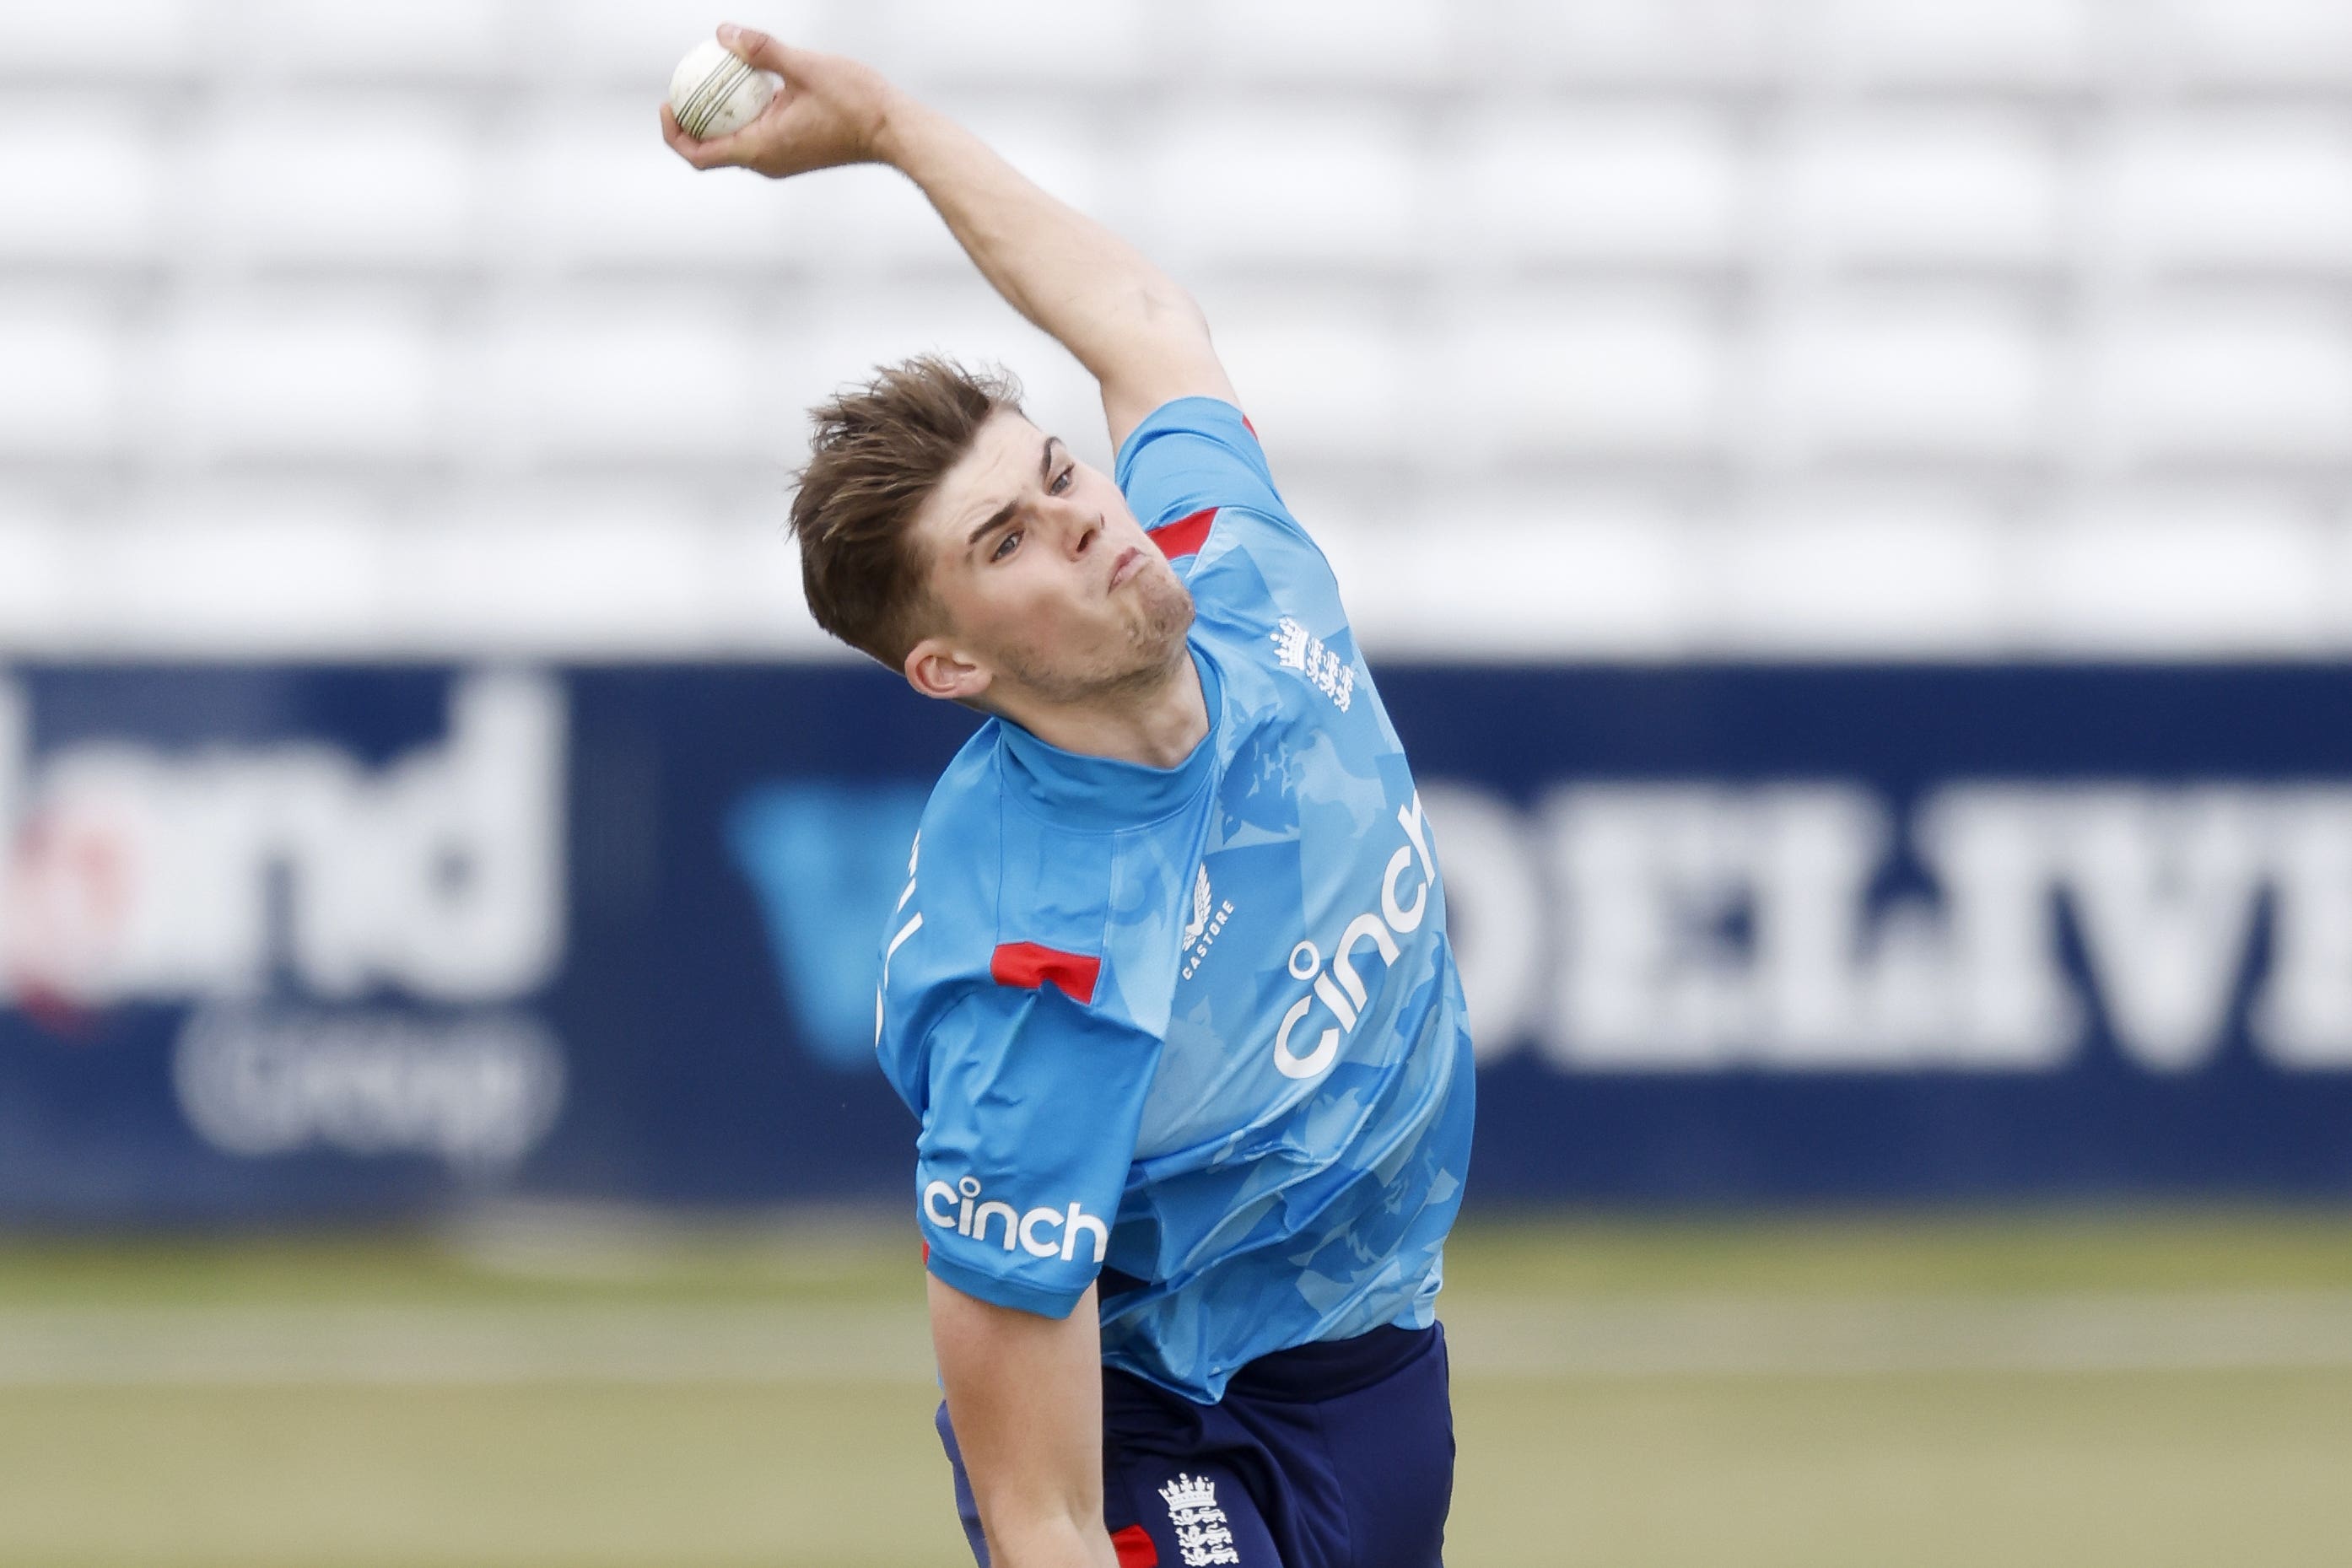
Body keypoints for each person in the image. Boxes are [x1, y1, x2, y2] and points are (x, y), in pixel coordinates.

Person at [666, 26, 1475, 1568]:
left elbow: (1142, 321)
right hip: (1151, 1421)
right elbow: (1035, 1499)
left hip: (1371, 1358)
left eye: (1058, 472)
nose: (1082, 523)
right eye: (1005, 545)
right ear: (948, 668)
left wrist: (894, 127)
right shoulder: (1034, 972)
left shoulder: (1241, 566)